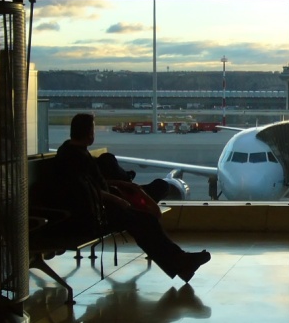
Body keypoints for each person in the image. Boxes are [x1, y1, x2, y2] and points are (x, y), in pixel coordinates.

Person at [53, 113, 210, 283]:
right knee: (144, 221)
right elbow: (86, 190)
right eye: (93, 128)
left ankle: (182, 264)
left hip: (99, 206)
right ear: (89, 132)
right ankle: (182, 263)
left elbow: (92, 185)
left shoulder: (73, 151)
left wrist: (124, 187)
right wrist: (118, 200)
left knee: (143, 220)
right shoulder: (73, 157)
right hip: (92, 214)